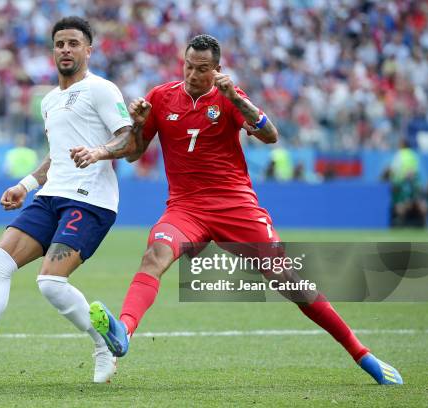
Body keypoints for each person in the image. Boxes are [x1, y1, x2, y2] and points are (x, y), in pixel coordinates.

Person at [78, 35, 403, 385]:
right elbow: (133, 154)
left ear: (217, 69)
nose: (192, 74)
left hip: (234, 205)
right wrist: (139, 123)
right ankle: (123, 332)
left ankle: (361, 353)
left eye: (202, 69)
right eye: (189, 66)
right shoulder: (160, 97)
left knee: (286, 279)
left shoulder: (230, 97)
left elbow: (271, 135)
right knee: (153, 257)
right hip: (185, 208)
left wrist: (236, 98)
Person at [0, 16, 144, 383]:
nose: (66, 49)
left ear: (88, 50)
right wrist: (26, 184)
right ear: (53, 51)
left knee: (50, 282)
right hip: (50, 196)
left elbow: (128, 140)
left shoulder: (101, 89)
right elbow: (58, 155)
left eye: (73, 43)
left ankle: (103, 345)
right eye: (60, 44)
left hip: (90, 200)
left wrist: (97, 152)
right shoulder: (49, 100)